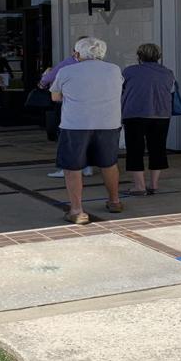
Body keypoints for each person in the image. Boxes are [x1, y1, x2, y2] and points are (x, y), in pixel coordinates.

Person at [49, 37, 124, 225]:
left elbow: (55, 97)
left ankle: (77, 210)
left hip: (75, 124)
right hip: (108, 123)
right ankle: (114, 201)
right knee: (109, 164)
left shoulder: (67, 71)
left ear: (77, 53)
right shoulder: (114, 70)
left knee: (72, 167)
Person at [121, 43, 177, 197]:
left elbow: (121, 89)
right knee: (158, 149)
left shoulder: (129, 71)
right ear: (158, 56)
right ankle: (154, 184)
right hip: (161, 114)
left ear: (139, 56)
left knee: (135, 149)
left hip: (134, 114)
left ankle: (139, 186)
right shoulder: (168, 73)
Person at [40, 39, 86, 178]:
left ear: (75, 51)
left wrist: (42, 82)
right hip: (89, 107)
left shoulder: (68, 63)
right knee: (86, 137)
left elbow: (51, 78)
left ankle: (65, 168)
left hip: (68, 105)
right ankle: (87, 166)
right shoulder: (101, 67)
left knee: (66, 138)